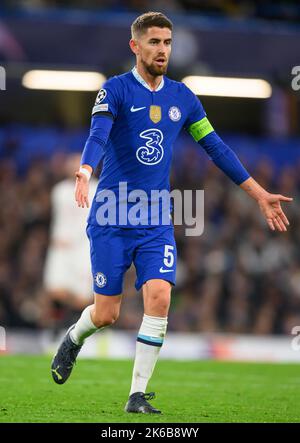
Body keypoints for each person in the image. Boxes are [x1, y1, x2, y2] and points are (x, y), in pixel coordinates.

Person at [51, 11, 292, 414]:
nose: (162, 50)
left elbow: (215, 147)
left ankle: (137, 395)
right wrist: (85, 169)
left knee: (159, 296)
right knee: (107, 313)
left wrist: (257, 193)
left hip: (155, 219)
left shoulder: (183, 98)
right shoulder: (114, 91)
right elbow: (98, 134)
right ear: (136, 46)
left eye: (167, 43)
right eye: (154, 42)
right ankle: (75, 337)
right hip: (111, 215)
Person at [44, 154, 97, 323]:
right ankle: (55, 329)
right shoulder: (60, 190)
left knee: (82, 297)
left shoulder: (98, 189)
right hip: (61, 247)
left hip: (85, 247)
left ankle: (77, 333)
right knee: (56, 290)